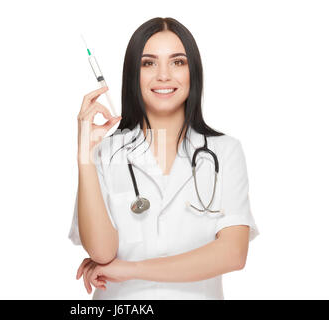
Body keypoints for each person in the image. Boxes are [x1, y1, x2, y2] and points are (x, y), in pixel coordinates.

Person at [68, 17, 259, 300]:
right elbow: (101, 251)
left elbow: (232, 254)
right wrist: (85, 155)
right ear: (133, 74)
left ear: (193, 71)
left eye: (177, 62)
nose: (163, 75)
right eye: (149, 63)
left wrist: (131, 269)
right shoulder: (103, 154)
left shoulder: (225, 151)